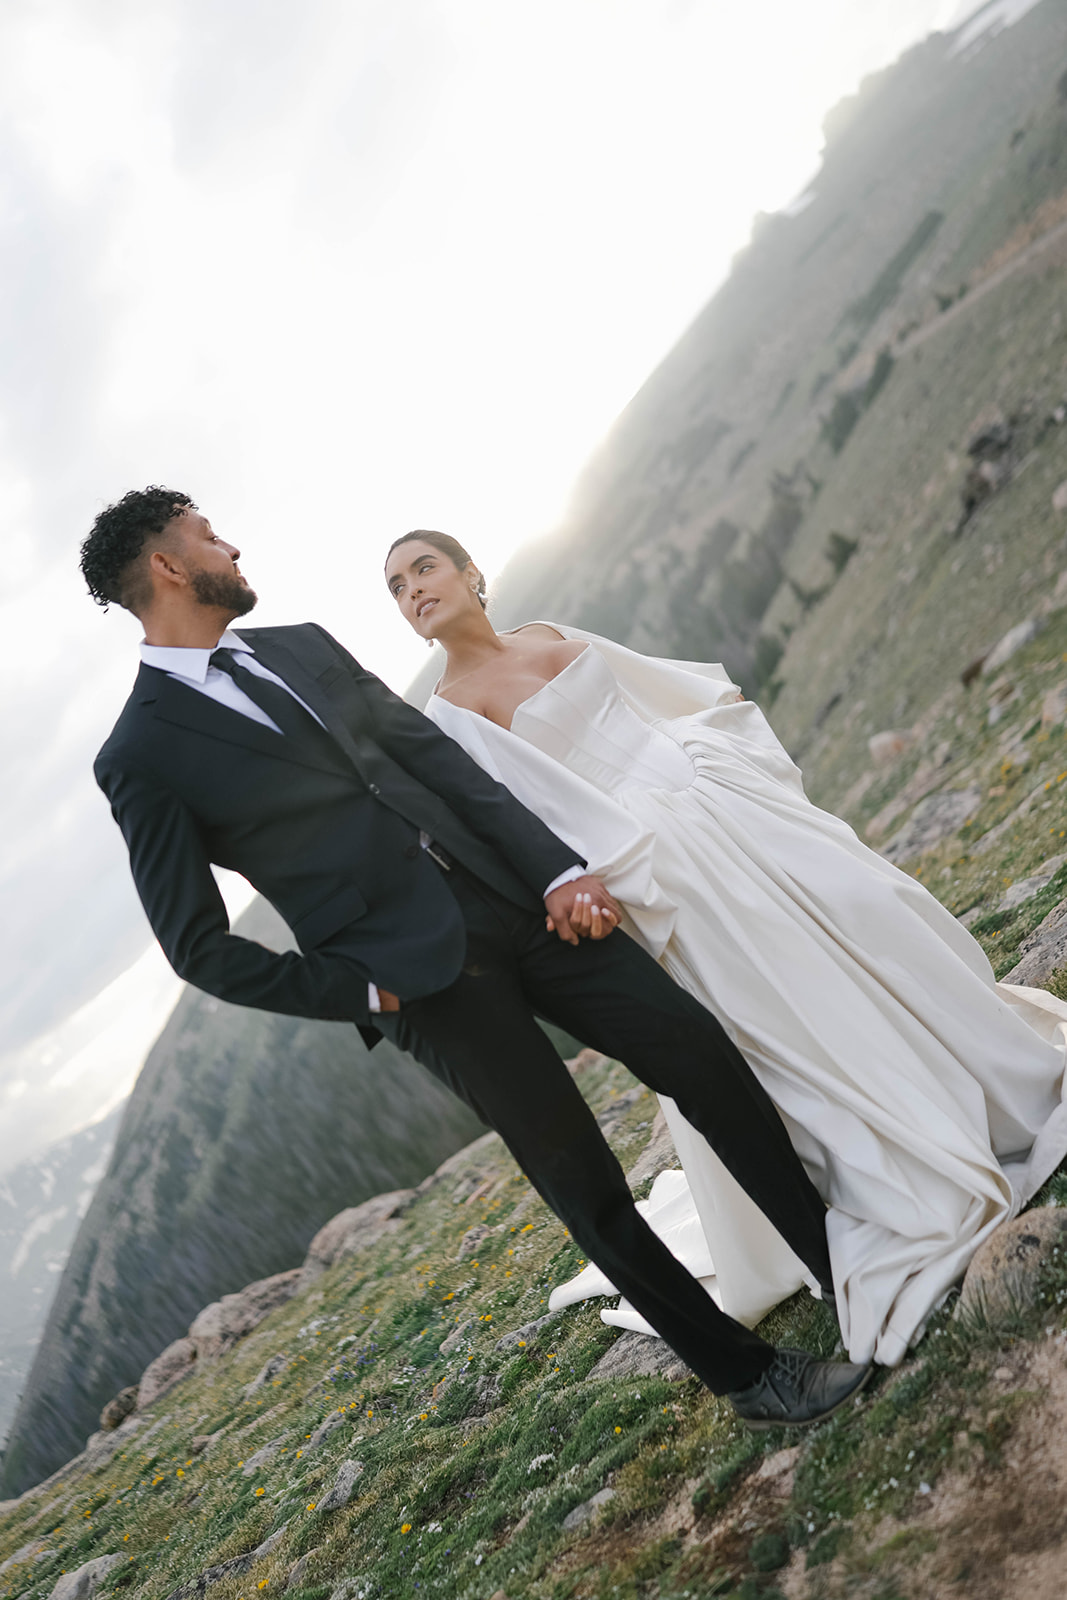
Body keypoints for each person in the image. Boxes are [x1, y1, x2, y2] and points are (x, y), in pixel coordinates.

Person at [80, 486, 871, 1429]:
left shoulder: (300, 646)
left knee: (698, 1053)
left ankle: (844, 1273)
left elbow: (435, 760)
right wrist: (366, 992)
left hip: (518, 902)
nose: (231, 546)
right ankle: (747, 1379)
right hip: (420, 984)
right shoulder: (140, 753)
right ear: (169, 567)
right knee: (585, 1182)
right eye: (208, 537)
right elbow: (195, 947)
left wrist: (552, 871)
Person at [384, 529, 1067, 1368]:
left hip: (712, 794)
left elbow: (654, 691)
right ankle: (876, 1143)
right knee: (776, 1000)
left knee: (865, 908)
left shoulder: (546, 634)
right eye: (396, 587)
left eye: (424, 567)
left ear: (468, 572)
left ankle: (967, 1072)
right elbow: (515, 824)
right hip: (648, 858)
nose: (413, 588)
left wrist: (709, 752)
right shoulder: (446, 718)